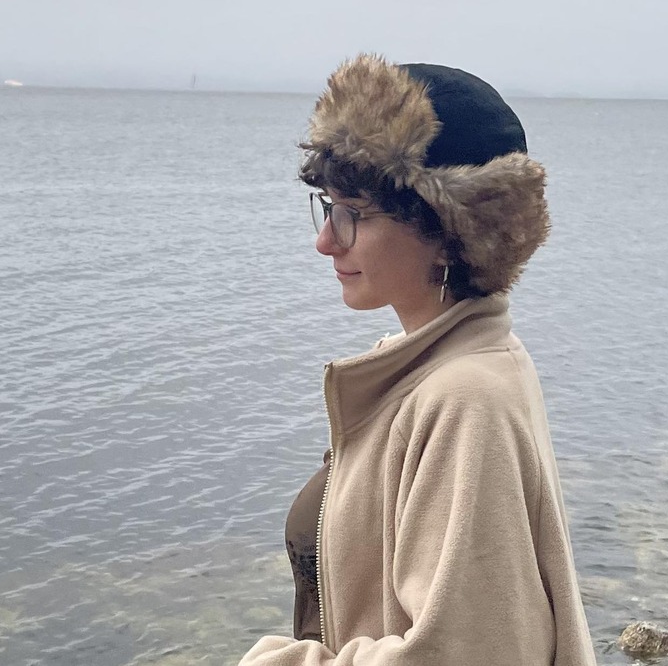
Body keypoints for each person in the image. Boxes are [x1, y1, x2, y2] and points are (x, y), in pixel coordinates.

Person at [241, 54, 596, 665]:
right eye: (327, 206)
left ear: (449, 231)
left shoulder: (464, 398)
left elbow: (472, 654)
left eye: (354, 214)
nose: (325, 241)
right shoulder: (444, 371)